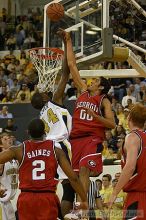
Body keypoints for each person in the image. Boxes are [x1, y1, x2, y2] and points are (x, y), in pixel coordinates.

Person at [59, 29, 115, 210]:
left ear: (101, 86)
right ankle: (80, 205)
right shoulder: (83, 91)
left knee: (84, 169)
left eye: (96, 80)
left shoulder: (103, 100)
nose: (91, 80)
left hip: (92, 138)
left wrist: (95, 116)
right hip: (76, 140)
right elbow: (72, 65)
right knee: (74, 177)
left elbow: (112, 124)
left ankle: (83, 205)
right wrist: (68, 41)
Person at [0, 118, 88, 220]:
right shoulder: (56, 151)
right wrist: (84, 200)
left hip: (26, 198)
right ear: (45, 132)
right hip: (47, 197)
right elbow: (73, 178)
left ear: (27, 132)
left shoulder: (19, 150)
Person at [31, 33, 74, 218]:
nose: (45, 90)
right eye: (42, 92)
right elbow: (66, 73)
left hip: (49, 148)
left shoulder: (41, 116)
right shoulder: (54, 101)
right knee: (70, 187)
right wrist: (67, 46)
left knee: (60, 187)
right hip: (61, 146)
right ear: (45, 98)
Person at [109, 104, 146, 219]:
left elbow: (130, 167)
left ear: (129, 118)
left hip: (138, 196)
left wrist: (114, 193)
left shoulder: (132, 137)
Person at [0, 132, 18, 220]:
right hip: (1, 202)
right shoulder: (1, 160)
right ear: (1, 145)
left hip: (9, 202)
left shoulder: (15, 159)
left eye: (9, 138)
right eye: (5, 139)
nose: (9, 140)